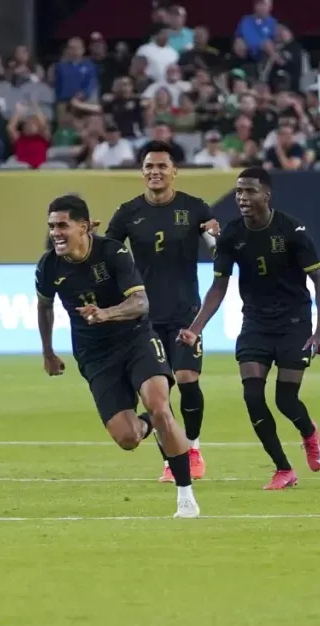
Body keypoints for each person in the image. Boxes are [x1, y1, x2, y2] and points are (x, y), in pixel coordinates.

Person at [36, 194, 200, 518]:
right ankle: (149, 424)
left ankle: (185, 496)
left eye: (63, 225)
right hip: (95, 356)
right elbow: (44, 307)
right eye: (52, 226)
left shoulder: (112, 252)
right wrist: (48, 352)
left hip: (136, 340)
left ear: (83, 227)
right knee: (128, 438)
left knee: (159, 405)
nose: (56, 232)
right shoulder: (48, 266)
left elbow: (141, 303)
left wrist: (106, 313)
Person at [178, 167, 320, 490]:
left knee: (286, 400)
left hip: (294, 323)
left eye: (250, 191)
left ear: (266, 195)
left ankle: (308, 432)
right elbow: (218, 288)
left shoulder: (292, 230)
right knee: (252, 395)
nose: (242, 198)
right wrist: (196, 328)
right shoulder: (232, 236)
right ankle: (283, 469)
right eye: (238, 192)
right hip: (256, 324)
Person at [105, 140, 220, 483]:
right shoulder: (127, 213)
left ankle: (193, 447)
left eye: (161, 166)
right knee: (158, 393)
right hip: (145, 318)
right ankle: (173, 458)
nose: (155, 172)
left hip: (186, 311)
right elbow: (109, 254)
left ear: (174, 171)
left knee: (187, 379)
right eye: (149, 167)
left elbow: (218, 248)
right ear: (142, 173)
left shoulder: (196, 208)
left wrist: (217, 238)